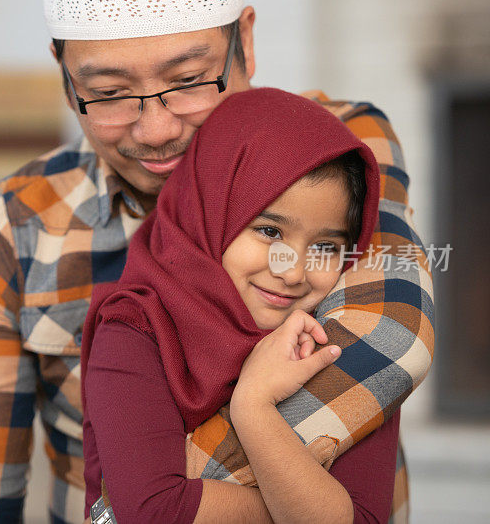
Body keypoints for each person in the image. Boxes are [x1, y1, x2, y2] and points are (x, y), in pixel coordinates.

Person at [0, 0, 434, 523]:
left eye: (189, 80)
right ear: (66, 78)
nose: (157, 131)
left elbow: (392, 335)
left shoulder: (338, 148)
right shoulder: (16, 228)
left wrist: (133, 508)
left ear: (245, 42)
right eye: (108, 93)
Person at [81, 87, 398, 523]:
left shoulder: (342, 341)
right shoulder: (135, 330)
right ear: (210, 214)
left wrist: (254, 409)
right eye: (269, 232)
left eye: (325, 245)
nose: (292, 271)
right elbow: (152, 513)